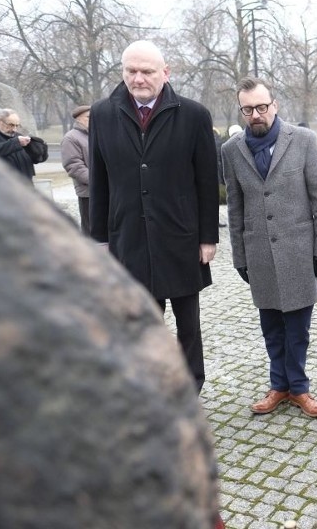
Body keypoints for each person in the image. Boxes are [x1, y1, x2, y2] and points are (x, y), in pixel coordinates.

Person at [89, 40, 220, 394]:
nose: (138, 78)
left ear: (166, 72)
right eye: (131, 70)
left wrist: (209, 237)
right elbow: (98, 181)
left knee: (187, 321)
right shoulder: (102, 114)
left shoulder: (193, 115)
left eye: (147, 71)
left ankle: (191, 385)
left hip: (180, 235)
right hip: (128, 235)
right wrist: (99, 239)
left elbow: (207, 183)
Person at [221, 77, 317, 419]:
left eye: (261, 107)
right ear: (241, 110)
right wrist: (240, 256)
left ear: (275, 105)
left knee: (298, 330)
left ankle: (299, 388)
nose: (256, 114)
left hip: (300, 252)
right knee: (271, 327)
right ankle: (278, 386)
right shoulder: (232, 150)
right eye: (248, 109)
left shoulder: (303, 141)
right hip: (259, 254)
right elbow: (235, 207)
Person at [60, 104, 91, 234]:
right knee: (91, 230)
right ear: (79, 119)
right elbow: (73, 166)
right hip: (88, 192)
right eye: (89, 117)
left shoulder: (97, 134)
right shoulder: (71, 138)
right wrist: (97, 181)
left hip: (107, 190)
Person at [0, 108, 48, 179]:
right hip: (2, 187)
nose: (14, 129)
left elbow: (36, 160)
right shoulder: (16, 140)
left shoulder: (18, 137)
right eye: (11, 125)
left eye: (17, 125)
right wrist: (15, 143)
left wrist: (40, 151)